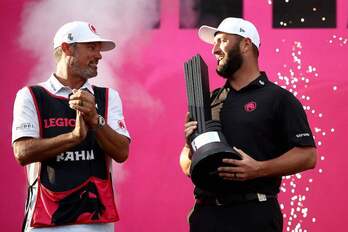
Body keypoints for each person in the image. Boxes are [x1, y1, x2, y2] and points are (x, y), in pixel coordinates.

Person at [180, 17, 317, 232]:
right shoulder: (209, 100)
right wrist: (190, 145)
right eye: (215, 43)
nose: (215, 49)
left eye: (222, 41)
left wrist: (258, 169)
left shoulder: (279, 98)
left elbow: (308, 156)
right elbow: (187, 166)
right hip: (206, 216)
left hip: (254, 215)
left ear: (245, 44)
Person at [12, 21, 130, 232]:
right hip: (45, 223)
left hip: (97, 224)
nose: (99, 55)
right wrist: (73, 138)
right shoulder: (31, 95)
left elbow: (122, 152)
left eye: (99, 49)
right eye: (91, 48)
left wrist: (96, 119)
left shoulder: (108, 96)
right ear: (67, 48)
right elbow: (22, 152)